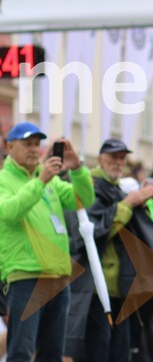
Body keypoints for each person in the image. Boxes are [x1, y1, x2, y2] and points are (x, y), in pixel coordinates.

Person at [64, 138, 153, 362]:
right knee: (99, 351)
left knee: (121, 353)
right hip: (95, 289)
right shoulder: (89, 187)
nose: (119, 162)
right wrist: (129, 203)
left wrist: (139, 205)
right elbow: (90, 234)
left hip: (121, 287)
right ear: (100, 159)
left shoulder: (119, 189)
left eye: (122, 158)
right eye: (113, 157)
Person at [0, 122, 94, 362]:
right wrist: (40, 181)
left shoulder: (49, 179)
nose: (34, 149)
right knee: (21, 352)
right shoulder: (4, 179)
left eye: (36, 144)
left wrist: (78, 169)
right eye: (27, 144)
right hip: (26, 276)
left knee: (52, 354)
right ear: (9, 147)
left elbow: (83, 199)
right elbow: (9, 212)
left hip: (58, 278)